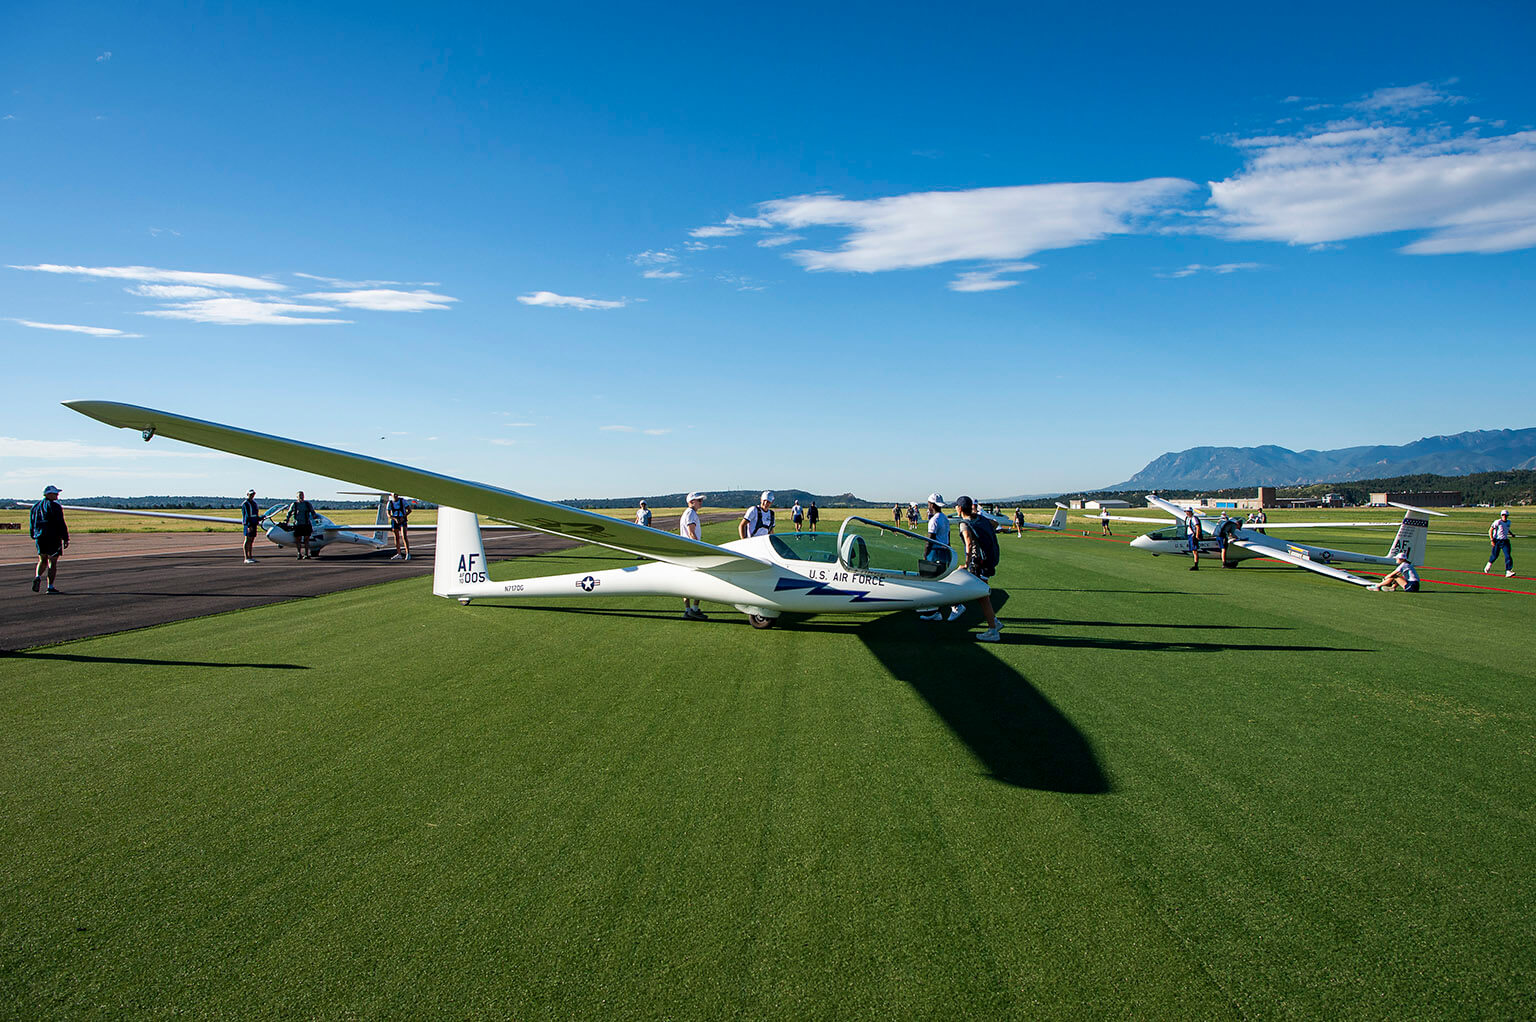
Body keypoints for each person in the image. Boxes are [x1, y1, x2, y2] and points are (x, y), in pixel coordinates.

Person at [951, 496, 1004, 641]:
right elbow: (995, 524)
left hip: (979, 563)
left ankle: (993, 630)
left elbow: (968, 542)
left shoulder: (964, 524)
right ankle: (994, 622)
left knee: (982, 596)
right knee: (982, 594)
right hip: (989, 561)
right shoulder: (981, 519)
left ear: (960, 508)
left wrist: (966, 563)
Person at [919, 494, 958, 622]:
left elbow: (930, 539)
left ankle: (955, 605)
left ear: (932, 505)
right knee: (939, 581)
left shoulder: (934, 520)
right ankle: (936, 611)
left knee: (932, 582)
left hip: (935, 552)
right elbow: (948, 536)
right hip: (945, 551)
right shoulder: (944, 518)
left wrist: (925, 553)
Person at [29, 485, 69, 594]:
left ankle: (38, 576)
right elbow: (60, 522)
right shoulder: (55, 506)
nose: (57, 495)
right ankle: (50, 587)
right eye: (55, 493)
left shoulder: (35, 506)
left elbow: (32, 522)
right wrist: (65, 537)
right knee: (53, 562)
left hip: (39, 536)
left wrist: (33, 534)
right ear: (48, 494)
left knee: (42, 560)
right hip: (53, 537)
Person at [678, 492, 709, 620]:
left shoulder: (688, 513)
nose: (701, 502)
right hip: (692, 552)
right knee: (700, 580)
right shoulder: (691, 513)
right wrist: (699, 549)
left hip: (686, 552)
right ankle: (694, 609)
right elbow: (691, 533)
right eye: (699, 500)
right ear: (691, 502)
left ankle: (687, 610)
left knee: (687, 582)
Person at [1485, 510, 1515, 577]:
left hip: (1505, 541)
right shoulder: (1498, 522)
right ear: (1501, 515)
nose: (1504, 516)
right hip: (1497, 541)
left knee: (1508, 555)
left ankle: (1508, 571)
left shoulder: (1508, 522)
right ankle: (1489, 564)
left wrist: (1511, 534)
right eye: (1503, 515)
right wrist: (1492, 540)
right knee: (1495, 555)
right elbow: (1490, 530)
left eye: (1506, 515)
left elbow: (1506, 529)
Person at [289, 490, 317, 559]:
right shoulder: (294, 504)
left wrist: (314, 516)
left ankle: (306, 554)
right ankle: (299, 553)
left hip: (306, 524)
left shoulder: (307, 504)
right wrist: (287, 520)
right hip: (298, 524)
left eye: (302, 495)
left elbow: (312, 512)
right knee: (298, 539)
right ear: (297, 497)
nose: (301, 497)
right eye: (300, 496)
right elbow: (289, 513)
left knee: (306, 539)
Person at [387, 492, 412, 561]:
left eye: (396, 494)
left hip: (402, 519)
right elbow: (388, 514)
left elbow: (409, 510)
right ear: (391, 495)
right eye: (394, 494)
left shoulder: (402, 501)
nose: (395, 496)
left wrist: (403, 517)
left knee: (404, 536)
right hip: (395, 520)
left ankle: (408, 553)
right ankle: (399, 553)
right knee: (396, 537)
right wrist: (394, 518)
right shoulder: (390, 503)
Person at [240, 489, 262, 563]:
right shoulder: (245, 504)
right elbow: (246, 515)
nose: (252, 495)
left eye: (253, 494)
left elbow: (255, 515)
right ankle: (246, 557)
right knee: (247, 540)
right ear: (247, 495)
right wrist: (249, 525)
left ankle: (250, 556)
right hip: (249, 524)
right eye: (251, 494)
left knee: (251, 540)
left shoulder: (254, 503)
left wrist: (260, 518)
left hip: (254, 523)